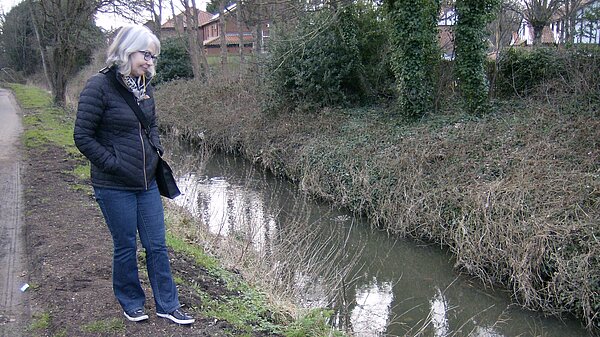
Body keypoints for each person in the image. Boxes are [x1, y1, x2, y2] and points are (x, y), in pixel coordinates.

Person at [73, 25, 194, 325]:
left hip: (147, 182)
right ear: (127, 50)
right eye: (146, 55)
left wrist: (156, 149)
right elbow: (82, 136)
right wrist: (113, 164)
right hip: (113, 185)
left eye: (153, 57)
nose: (150, 62)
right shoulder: (98, 86)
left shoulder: (145, 86)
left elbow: (150, 124)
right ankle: (132, 301)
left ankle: (168, 304)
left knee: (157, 245)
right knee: (126, 245)